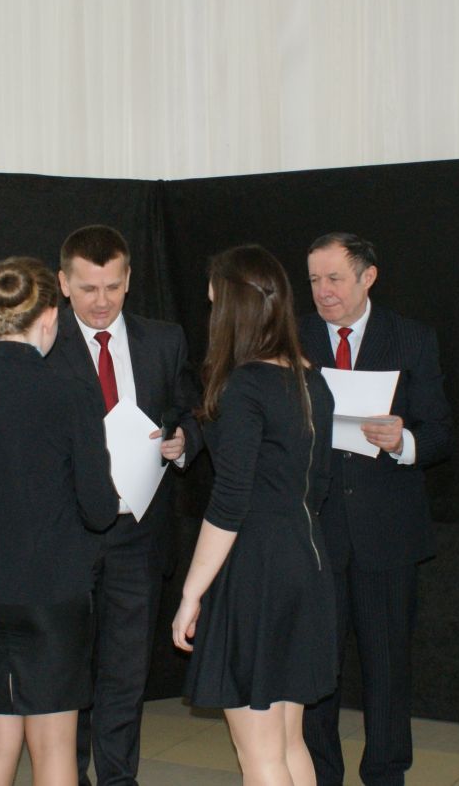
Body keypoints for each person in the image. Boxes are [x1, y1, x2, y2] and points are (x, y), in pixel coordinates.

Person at [0, 257, 119, 785]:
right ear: (51, 315)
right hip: (51, 593)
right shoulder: (72, 393)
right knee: (53, 749)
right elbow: (99, 510)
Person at [172, 243, 336, 785]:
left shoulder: (245, 384)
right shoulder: (310, 378)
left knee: (260, 755)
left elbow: (229, 502)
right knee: (288, 741)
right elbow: (318, 485)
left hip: (255, 570)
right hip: (306, 560)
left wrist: (192, 592)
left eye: (215, 301)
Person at [46, 224, 204, 786]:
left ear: (129, 279)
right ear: (63, 283)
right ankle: (67, 774)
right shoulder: (43, 343)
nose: (101, 301)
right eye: (88, 288)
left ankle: (116, 778)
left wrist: (184, 440)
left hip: (138, 533)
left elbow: (191, 408)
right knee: (67, 666)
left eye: (113, 286)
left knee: (126, 669)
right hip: (66, 534)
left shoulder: (164, 339)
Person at [300, 233, 452, 786]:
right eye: (314, 280)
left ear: (368, 277)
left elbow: (440, 432)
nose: (323, 291)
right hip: (314, 532)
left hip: (387, 532)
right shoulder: (291, 337)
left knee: (388, 669)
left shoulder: (410, 338)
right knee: (317, 669)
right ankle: (320, 774)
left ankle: (387, 774)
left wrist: (403, 440)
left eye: (335, 278)